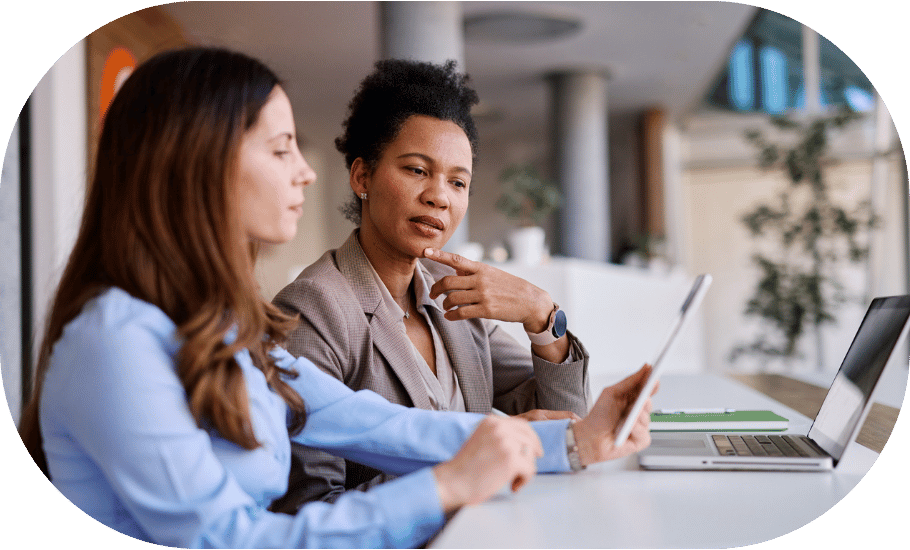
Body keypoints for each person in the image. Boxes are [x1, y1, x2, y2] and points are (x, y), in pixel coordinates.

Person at [16, 47, 654, 549]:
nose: (306, 170)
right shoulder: (115, 341)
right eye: (280, 148)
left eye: (457, 180)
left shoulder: (229, 328)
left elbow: (377, 425)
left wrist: (574, 443)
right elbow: (223, 540)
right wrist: (445, 487)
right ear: (199, 165)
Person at [271, 58, 604, 510]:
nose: (439, 196)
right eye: (416, 170)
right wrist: (467, 463)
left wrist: (540, 313)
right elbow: (309, 507)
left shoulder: (450, 292)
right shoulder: (312, 311)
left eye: (458, 181)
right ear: (362, 176)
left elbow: (569, 421)